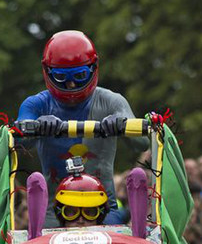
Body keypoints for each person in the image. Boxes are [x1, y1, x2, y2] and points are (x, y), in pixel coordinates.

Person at [17, 30, 146, 225]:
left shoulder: (112, 102)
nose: (70, 85)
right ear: (47, 71)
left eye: (79, 76)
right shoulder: (35, 105)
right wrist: (39, 125)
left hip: (104, 209)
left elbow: (142, 143)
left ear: (93, 68)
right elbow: (17, 140)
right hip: (54, 212)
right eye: (61, 77)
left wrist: (121, 122)